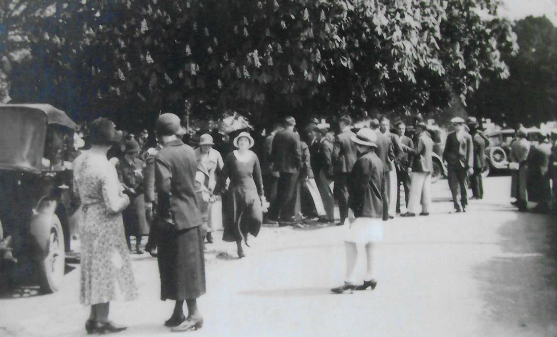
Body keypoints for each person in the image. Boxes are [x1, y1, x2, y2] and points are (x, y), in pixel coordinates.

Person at [73, 118, 136, 334]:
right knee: (106, 269)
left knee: (93, 268)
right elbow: (112, 205)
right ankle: (102, 321)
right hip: (105, 222)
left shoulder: (80, 160)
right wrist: (126, 196)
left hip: (87, 216)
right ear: (109, 141)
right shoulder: (106, 165)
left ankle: (93, 318)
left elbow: (77, 190)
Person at [154, 113, 205, 332]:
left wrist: (164, 214)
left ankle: (194, 314)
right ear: (177, 131)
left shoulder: (162, 156)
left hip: (174, 218)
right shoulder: (189, 151)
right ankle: (178, 312)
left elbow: (164, 189)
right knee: (186, 266)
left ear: (158, 134)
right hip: (192, 215)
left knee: (178, 266)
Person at [331, 128, 386, 294]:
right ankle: (371, 276)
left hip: (364, 208)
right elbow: (381, 188)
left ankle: (350, 280)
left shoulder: (363, 161)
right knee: (370, 243)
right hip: (375, 208)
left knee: (350, 241)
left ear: (361, 145)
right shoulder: (377, 160)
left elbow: (358, 188)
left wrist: (352, 209)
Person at [214, 132, 264, 258]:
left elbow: (258, 177)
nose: (243, 143)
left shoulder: (253, 156)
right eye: (240, 141)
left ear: (249, 143)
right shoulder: (231, 156)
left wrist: (261, 194)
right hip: (236, 191)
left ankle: (246, 235)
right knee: (236, 220)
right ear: (237, 143)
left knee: (256, 217)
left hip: (251, 190)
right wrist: (215, 192)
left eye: (245, 141)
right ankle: (240, 247)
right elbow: (223, 175)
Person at [268, 117, 302, 226]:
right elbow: (297, 153)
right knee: (290, 193)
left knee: (280, 192)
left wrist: (276, 163)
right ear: (294, 124)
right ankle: (285, 217)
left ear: (284, 124)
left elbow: (273, 151)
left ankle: (274, 215)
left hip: (280, 167)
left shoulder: (278, 135)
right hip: (292, 168)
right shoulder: (294, 135)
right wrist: (299, 165)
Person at [117, 139, 149, 254]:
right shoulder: (120, 164)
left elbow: (146, 179)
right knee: (127, 219)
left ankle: (139, 245)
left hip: (139, 194)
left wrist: (141, 178)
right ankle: (128, 245)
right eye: (135, 152)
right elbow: (119, 181)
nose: (136, 154)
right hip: (127, 195)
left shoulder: (140, 163)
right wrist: (127, 188)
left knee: (140, 219)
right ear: (129, 153)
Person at [195, 134, 224, 243]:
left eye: (209, 145)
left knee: (212, 210)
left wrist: (226, 183)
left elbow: (222, 170)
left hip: (212, 183)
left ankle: (209, 233)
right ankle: (200, 235)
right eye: (204, 145)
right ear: (200, 145)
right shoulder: (193, 154)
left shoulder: (216, 154)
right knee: (200, 211)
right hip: (199, 185)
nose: (207, 147)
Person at [401, 122, 433, 217]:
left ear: (420, 128)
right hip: (428, 166)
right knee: (426, 189)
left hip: (419, 166)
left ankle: (412, 210)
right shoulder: (429, 139)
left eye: (417, 127)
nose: (416, 129)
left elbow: (416, 152)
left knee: (415, 189)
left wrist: (405, 148)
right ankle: (426, 209)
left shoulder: (420, 138)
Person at [443, 117, 473, 213]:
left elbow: (470, 152)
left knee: (464, 185)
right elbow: (446, 149)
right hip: (452, 164)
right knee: (453, 185)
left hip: (463, 164)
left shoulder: (467, 136)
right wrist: (446, 159)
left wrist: (470, 166)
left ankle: (465, 204)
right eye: (453, 125)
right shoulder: (450, 136)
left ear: (461, 125)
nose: (454, 126)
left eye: (456, 125)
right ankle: (457, 206)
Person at [332, 115, 357, 226]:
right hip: (354, 166)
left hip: (342, 168)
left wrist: (335, 164)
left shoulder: (340, 137)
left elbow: (334, 155)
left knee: (343, 193)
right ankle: (354, 216)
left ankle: (344, 218)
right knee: (352, 192)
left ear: (342, 124)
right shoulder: (355, 136)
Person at [370, 119, 394, 219]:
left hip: (374, 168)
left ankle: (376, 212)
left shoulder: (371, 139)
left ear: (371, 127)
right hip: (385, 168)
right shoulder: (386, 139)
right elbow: (391, 155)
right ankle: (385, 214)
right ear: (378, 126)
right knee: (384, 192)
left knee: (374, 190)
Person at [379, 117, 402, 218]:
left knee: (391, 188)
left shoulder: (393, 136)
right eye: (382, 124)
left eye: (386, 125)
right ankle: (382, 210)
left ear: (389, 126)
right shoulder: (377, 135)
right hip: (379, 165)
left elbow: (400, 151)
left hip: (389, 165)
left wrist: (394, 160)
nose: (384, 126)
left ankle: (390, 211)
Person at [261, 123, 283, 223]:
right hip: (271, 170)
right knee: (271, 195)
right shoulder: (271, 139)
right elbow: (270, 154)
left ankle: (269, 216)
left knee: (272, 194)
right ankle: (267, 217)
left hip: (272, 170)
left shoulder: (272, 138)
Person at [526, 132, 553, 213]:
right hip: (548, 171)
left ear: (539, 138)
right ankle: (547, 205)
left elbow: (530, 160)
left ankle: (542, 206)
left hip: (538, 171)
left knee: (539, 190)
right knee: (546, 188)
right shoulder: (550, 147)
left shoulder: (537, 148)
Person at [314, 127, 335, 222]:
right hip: (326, 171)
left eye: (316, 132)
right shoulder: (326, 143)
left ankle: (330, 216)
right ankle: (329, 215)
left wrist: (327, 172)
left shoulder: (324, 144)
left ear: (319, 133)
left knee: (326, 193)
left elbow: (327, 160)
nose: (315, 134)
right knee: (326, 193)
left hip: (325, 171)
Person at [394, 121, 414, 213]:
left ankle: (408, 207)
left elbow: (412, 154)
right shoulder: (393, 138)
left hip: (406, 166)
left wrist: (410, 166)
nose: (401, 130)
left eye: (403, 128)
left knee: (407, 187)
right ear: (396, 129)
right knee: (396, 188)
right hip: (396, 166)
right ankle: (396, 208)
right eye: (399, 128)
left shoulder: (408, 140)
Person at [509, 128, 530, 212]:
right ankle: (524, 203)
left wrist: (515, 161)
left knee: (516, 184)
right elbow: (526, 156)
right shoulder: (528, 144)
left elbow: (511, 155)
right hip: (524, 166)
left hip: (516, 165)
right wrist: (521, 162)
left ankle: (518, 201)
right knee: (523, 186)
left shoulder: (514, 143)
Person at [467, 117, 488, 200]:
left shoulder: (473, 137)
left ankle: (476, 195)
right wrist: (482, 151)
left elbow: (472, 150)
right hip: (481, 158)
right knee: (478, 177)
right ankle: (480, 194)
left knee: (475, 177)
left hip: (475, 159)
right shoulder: (480, 135)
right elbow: (488, 142)